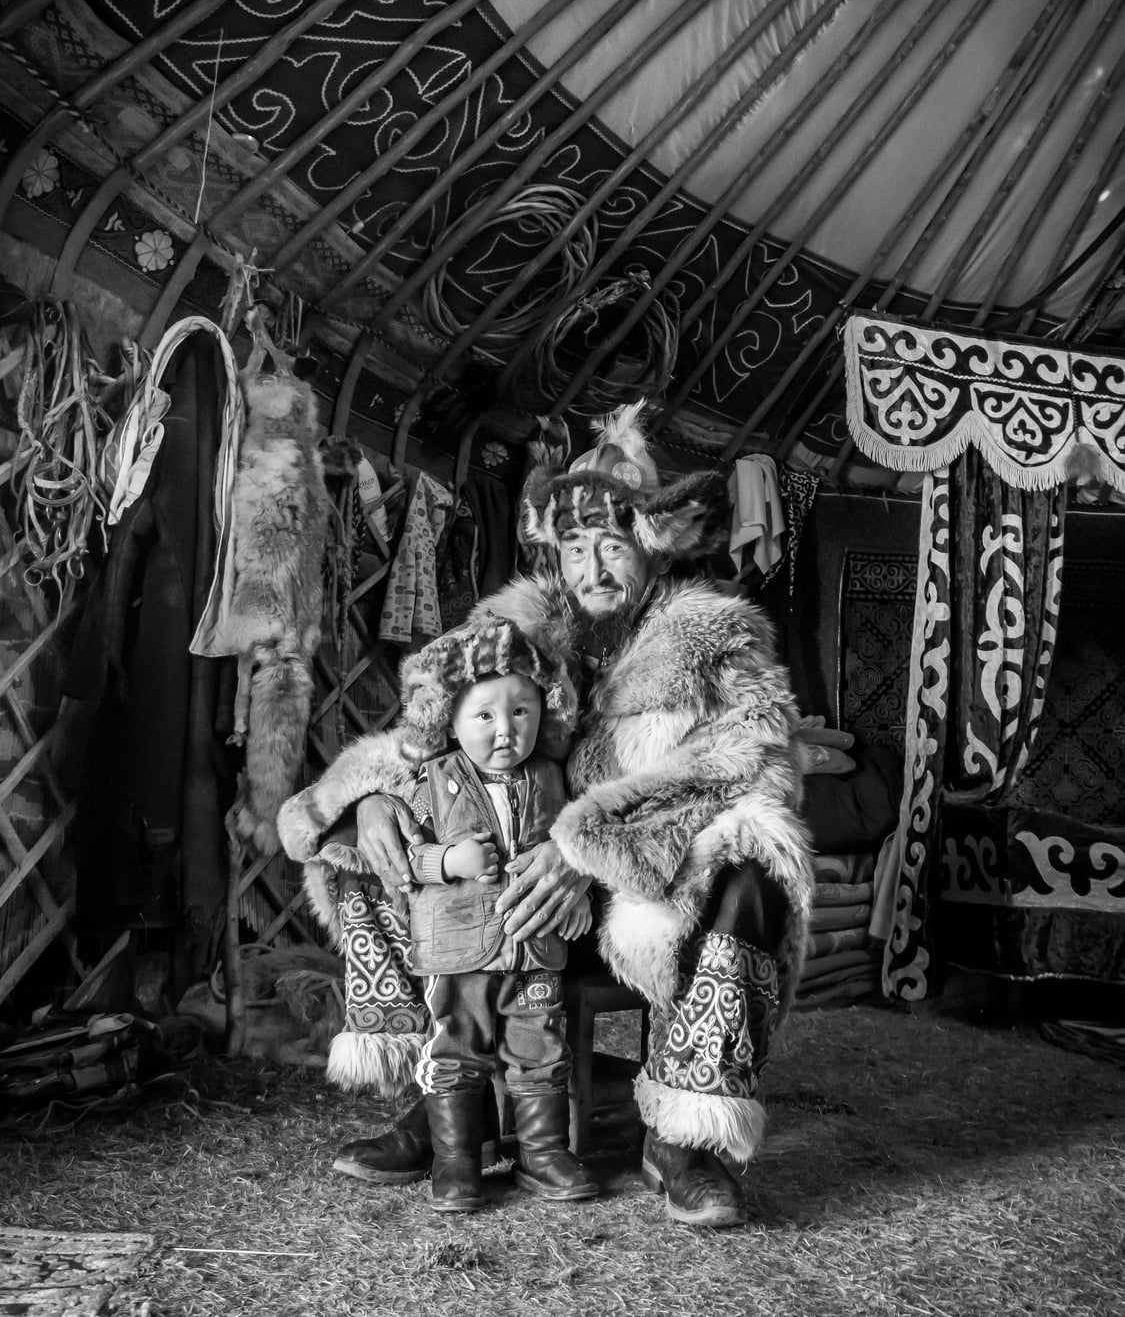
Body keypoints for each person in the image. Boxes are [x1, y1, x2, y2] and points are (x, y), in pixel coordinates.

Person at [279, 403, 829, 1228]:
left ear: (651, 543)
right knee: (351, 842)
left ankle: (685, 1136)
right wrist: (375, 798)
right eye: (575, 547)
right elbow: (432, 731)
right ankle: (444, 1103)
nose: (593, 566)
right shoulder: (512, 628)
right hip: (501, 872)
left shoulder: (713, 637)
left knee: (760, 856)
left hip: (647, 883)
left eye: (612, 544)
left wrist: (590, 849)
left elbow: (751, 760)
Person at [394, 610, 597, 1212]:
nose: (504, 729)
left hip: (533, 946)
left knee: (541, 1047)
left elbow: (574, 846)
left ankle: (542, 1154)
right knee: (456, 1048)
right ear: (451, 721)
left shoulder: (554, 777)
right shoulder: (431, 781)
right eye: (485, 715)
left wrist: (578, 893)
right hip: (459, 952)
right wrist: (448, 863)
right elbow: (408, 860)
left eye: (521, 712)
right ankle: (456, 1160)